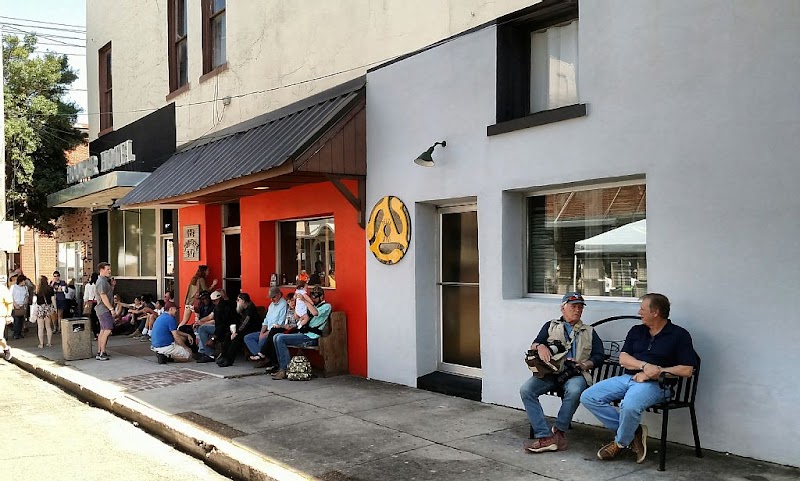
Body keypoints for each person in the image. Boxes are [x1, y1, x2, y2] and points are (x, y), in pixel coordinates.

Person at [580, 293, 697, 464]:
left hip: (658, 385)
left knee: (629, 405)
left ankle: (620, 443)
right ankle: (633, 431)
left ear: (655, 312)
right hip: (629, 378)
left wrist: (657, 371)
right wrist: (644, 366)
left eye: (643, 309)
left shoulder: (679, 335)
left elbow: (687, 369)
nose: (639, 312)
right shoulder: (637, 330)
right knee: (589, 396)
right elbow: (623, 359)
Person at [520, 292, 605, 453]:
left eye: (580, 307)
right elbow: (535, 343)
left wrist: (584, 364)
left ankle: (559, 432)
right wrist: (541, 346)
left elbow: (599, 356)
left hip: (575, 374)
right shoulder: (550, 325)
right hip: (551, 373)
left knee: (574, 390)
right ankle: (545, 437)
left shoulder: (589, 331)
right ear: (563, 308)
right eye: (574, 306)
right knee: (526, 390)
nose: (578, 310)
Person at [271, 285, 331, 380]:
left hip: (312, 337)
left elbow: (315, 313)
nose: (313, 300)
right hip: (303, 333)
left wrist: (305, 301)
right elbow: (297, 317)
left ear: (322, 297)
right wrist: (297, 303)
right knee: (276, 336)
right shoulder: (310, 305)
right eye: (312, 297)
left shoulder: (326, 306)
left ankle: (285, 369)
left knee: (280, 338)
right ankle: (282, 368)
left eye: (315, 298)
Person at [251, 292, 297, 371]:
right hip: (285, 329)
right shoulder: (288, 309)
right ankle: (272, 362)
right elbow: (285, 323)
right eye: (289, 301)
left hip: (294, 330)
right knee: (273, 334)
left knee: (274, 335)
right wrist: (280, 326)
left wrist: (282, 326)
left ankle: (264, 355)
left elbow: (298, 324)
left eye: (293, 301)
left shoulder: (298, 310)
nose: (291, 303)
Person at [215, 292, 261, 367]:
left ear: (243, 301)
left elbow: (245, 324)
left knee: (236, 339)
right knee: (228, 335)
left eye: (238, 300)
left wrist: (237, 332)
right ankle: (224, 355)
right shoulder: (243, 309)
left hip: (252, 330)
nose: (237, 301)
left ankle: (229, 359)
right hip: (246, 329)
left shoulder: (250, 310)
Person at [244, 287, 288, 360]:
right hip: (267, 330)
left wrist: (264, 334)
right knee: (248, 338)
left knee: (262, 341)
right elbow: (266, 321)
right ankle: (261, 356)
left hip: (274, 331)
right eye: (270, 297)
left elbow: (280, 324)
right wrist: (262, 333)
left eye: (273, 297)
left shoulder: (283, 304)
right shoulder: (271, 305)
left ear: (279, 295)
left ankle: (262, 357)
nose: (272, 299)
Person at [194, 290, 234, 363]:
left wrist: (213, 338)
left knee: (202, 329)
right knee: (202, 328)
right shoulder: (230, 304)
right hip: (228, 328)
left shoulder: (218, 308)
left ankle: (209, 354)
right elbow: (211, 317)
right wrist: (200, 322)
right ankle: (203, 351)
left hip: (224, 330)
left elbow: (220, 325)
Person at [94, 262, 117, 361]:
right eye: (107, 269)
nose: (109, 271)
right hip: (104, 309)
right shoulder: (101, 282)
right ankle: (102, 353)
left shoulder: (104, 281)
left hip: (102, 309)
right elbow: (103, 296)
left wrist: (112, 286)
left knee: (103, 330)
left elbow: (107, 294)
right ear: (101, 270)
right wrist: (111, 309)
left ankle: (100, 351)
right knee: (107, 330)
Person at [35, 276, 56, 348]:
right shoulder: (50, 289)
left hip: (40, 308)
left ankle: (41, 344)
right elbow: (53, 299)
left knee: (40, 327)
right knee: (48, 327)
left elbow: (34, 301)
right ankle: (49, 343)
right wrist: (55, 308)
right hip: (48, 308)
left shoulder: (37, 290)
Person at [10, 275, 29, 340]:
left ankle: (20, 333)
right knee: (17, 320)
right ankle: (16, 333)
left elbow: (26, 295)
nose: (25, 282)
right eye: (24, 281)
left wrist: (25, 301)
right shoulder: (13, 287)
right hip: (15, 305)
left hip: (22, 305)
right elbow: (11, 296)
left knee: (21, 320)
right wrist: (15, 304)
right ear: (21, 281)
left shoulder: (25, 288)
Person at [84, 272, 100, 338]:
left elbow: (86, 296)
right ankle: (99, 332)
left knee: (92, 319)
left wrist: (85, 303)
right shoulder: (98, 285)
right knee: (99, 318)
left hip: (91, 303)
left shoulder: (88, 285)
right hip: (98, 303)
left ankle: (95, 333)